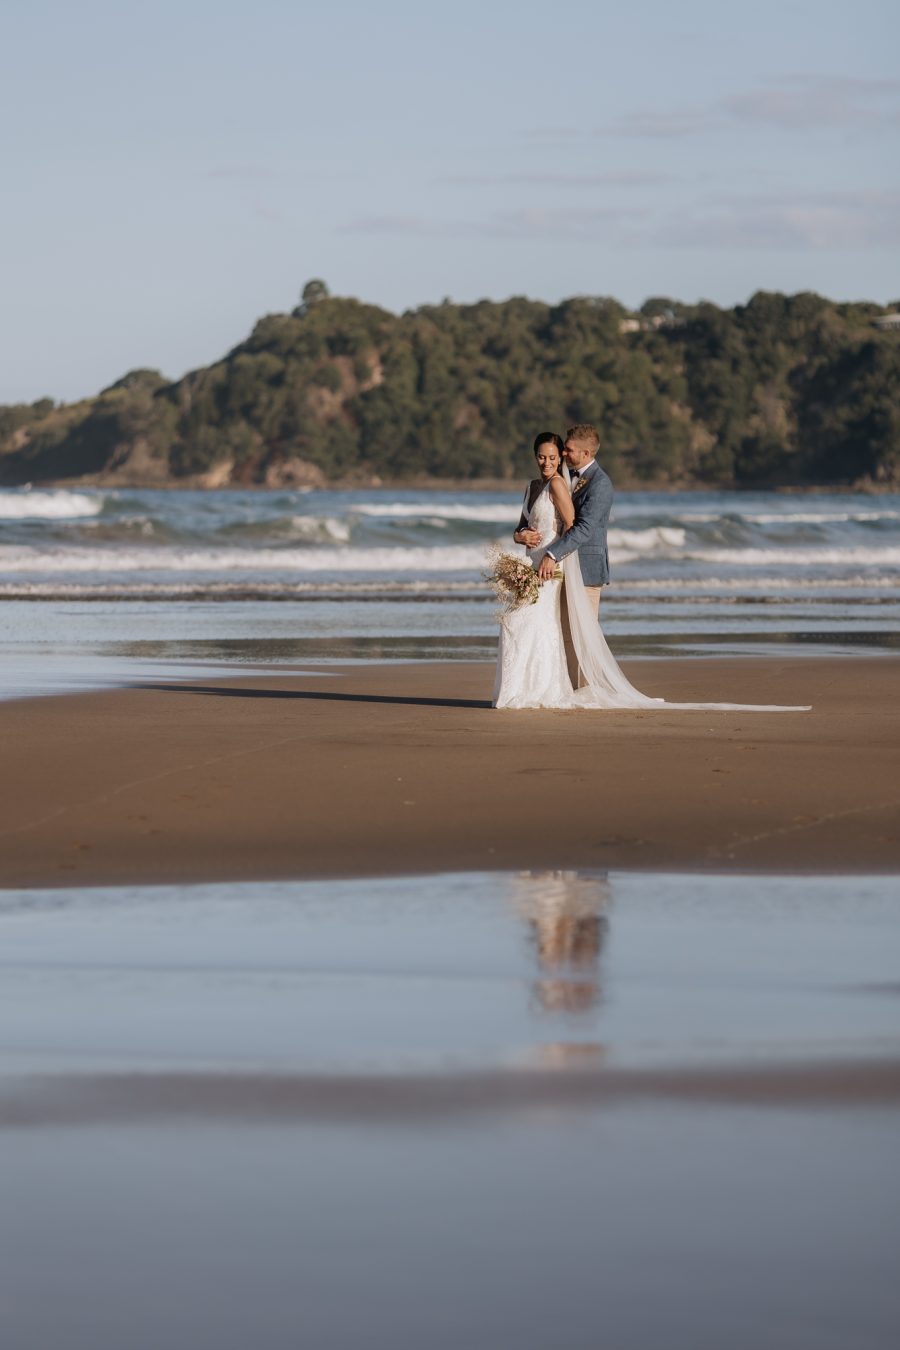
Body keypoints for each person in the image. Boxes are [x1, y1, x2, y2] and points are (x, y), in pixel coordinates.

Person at [492, 424, 810, 713]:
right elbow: (534, 521)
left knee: (582, 636)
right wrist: (521, 535)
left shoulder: (600, 484)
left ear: (586, 453)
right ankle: (559, 688)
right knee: (560, 633)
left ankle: (585, 693)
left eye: (566, 451)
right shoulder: (555, 480)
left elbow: (583, 528)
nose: (560, 456)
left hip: (583, 568)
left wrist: (552, 554)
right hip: (555, 567)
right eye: (549, 455)